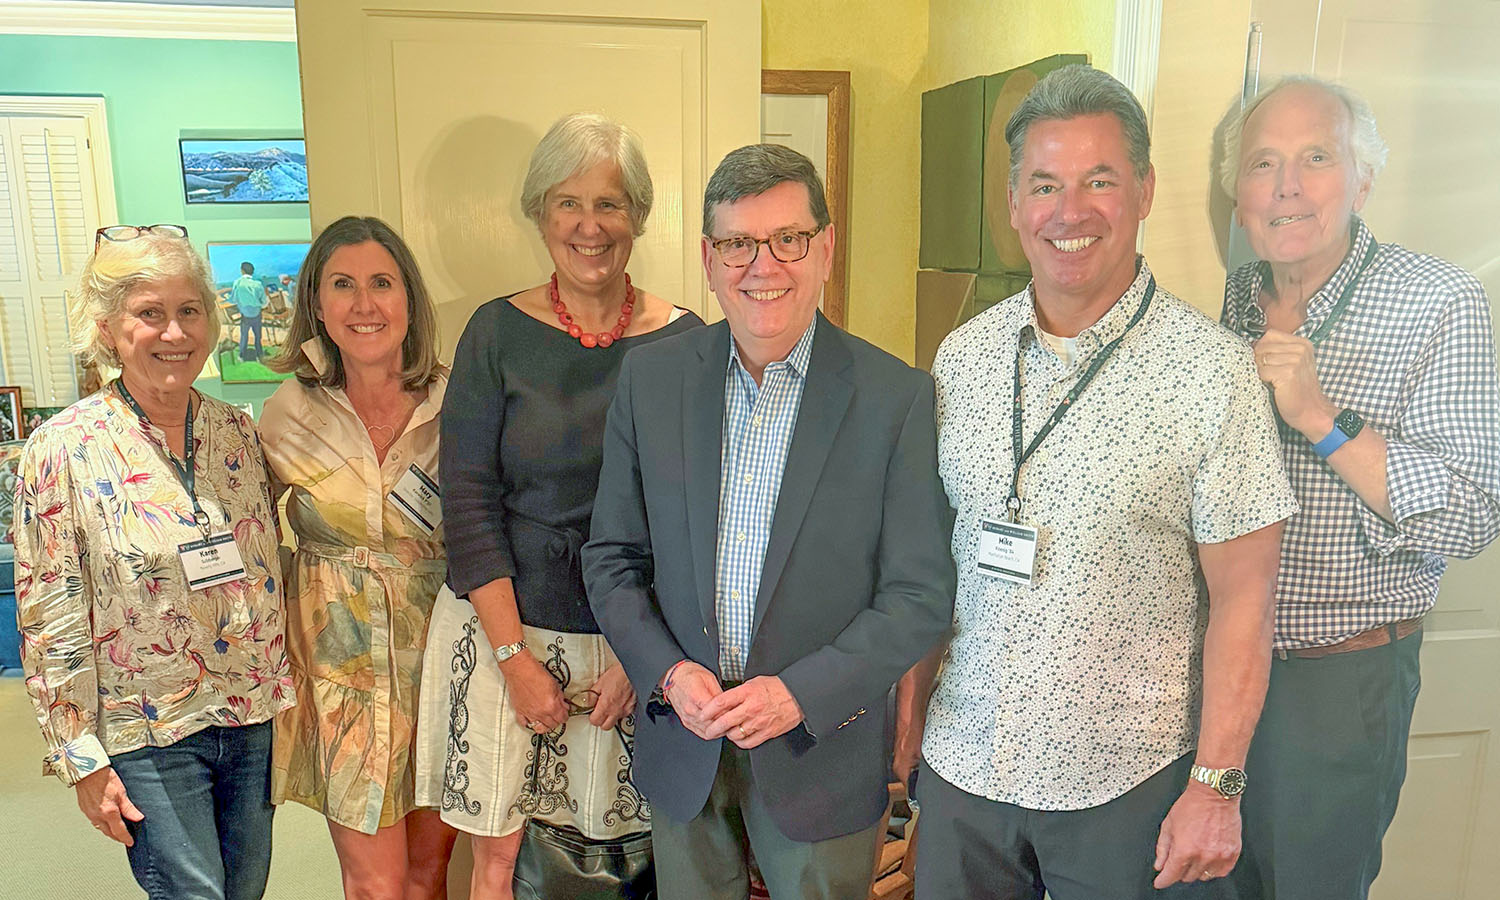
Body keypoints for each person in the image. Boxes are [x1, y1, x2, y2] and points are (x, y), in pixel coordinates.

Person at [905, 65, 1300, 900]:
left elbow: (1245, 599)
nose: (1069, 211)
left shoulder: (1212, 374)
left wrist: (1216, 788)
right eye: (1045, 184)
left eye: (1099, 180)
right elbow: (930, 569)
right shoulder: (962, 360)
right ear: (1014, 204)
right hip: (966, 767)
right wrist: (909, 725)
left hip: (1127, 786)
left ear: (1145, 190)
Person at [581, 143, 956, 900]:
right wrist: (666, 672)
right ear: (709, 257)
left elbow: (918, 596)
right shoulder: (651, 382)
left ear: (824, 247)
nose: (764, 266)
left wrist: (799, 693)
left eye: (788, 239)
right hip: (683, 737)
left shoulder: (896, 399)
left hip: (819, 750)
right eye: (738, 244)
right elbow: (612, 558)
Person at [1217, 77, 1500, 900]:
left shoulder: (1439, 301)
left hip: (1337, 685)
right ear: (1240, 199)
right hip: (1220, 671)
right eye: (1265, 164)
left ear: (1363, 178)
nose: (1289, 186)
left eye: (1317, 158)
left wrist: (1322, 419)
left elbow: (1470, 514)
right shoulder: (1237, 298)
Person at [414, 112, 701, 899]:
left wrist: (645, 657)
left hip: (633, 636)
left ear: (638, 216)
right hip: (507, 629)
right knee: (501, 863)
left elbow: (695, 520)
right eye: (567, 203)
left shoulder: (687, 342)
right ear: (540, 213)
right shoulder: (495, 333)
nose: (589, 225)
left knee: (625, 862)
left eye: (610, 204)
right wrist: (512, 663)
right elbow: (468, 506)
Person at [12, 224, 293, 900]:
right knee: (193, 892)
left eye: (188, 310)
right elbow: (51, 618)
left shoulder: (238, 433)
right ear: (109, 329)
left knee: (245, 890)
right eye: (150, 314)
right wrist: (79, 755)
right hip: (147, 725)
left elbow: (269, 564)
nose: (174, 333)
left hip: (250, 713)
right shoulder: (62, 449)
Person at [260, 216, 458, 900]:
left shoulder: (457, 403)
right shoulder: (286, 414)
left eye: (382, 283)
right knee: (376, 883)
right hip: (343, 677)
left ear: (409, 300)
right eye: (343, 285)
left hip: (442, 671)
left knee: (431, 875)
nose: (365, 304)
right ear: (317, 302)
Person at [231, 261, 268, 362]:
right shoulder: (258, 284)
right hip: (256, 314)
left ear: (242, 271)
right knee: (258, 336)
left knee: (244, 336)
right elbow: (264, 301)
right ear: (252, 272)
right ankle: (259, 356)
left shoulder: (237, 283)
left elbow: (233, 299)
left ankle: (242, 356)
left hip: (245, 315)